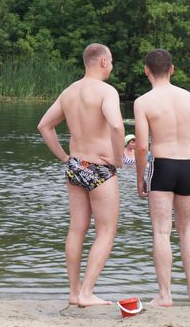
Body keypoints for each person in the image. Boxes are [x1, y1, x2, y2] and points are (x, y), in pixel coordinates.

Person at [37, 43, 124, 307]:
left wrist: (63, 156)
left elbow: (44, 126)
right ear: (102, 62)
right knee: (106, 230)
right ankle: (87, 292)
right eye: (111, 61)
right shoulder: (106, 92)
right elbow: (117, 126)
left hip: (76, 166)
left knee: (76, 229)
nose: (111, 65)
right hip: (100, 167)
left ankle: (74, 292)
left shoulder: (69, 92)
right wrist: (119, 159)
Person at [133, 48, 190, 307]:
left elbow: (141, 147)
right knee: (187, 229)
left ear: (146, 71)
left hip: (162, 166)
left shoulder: (143, 102)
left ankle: (165, 295)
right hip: (187, 164)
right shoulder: (188, 97)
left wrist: (140, 177)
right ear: (172, 69)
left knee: (162, 231)